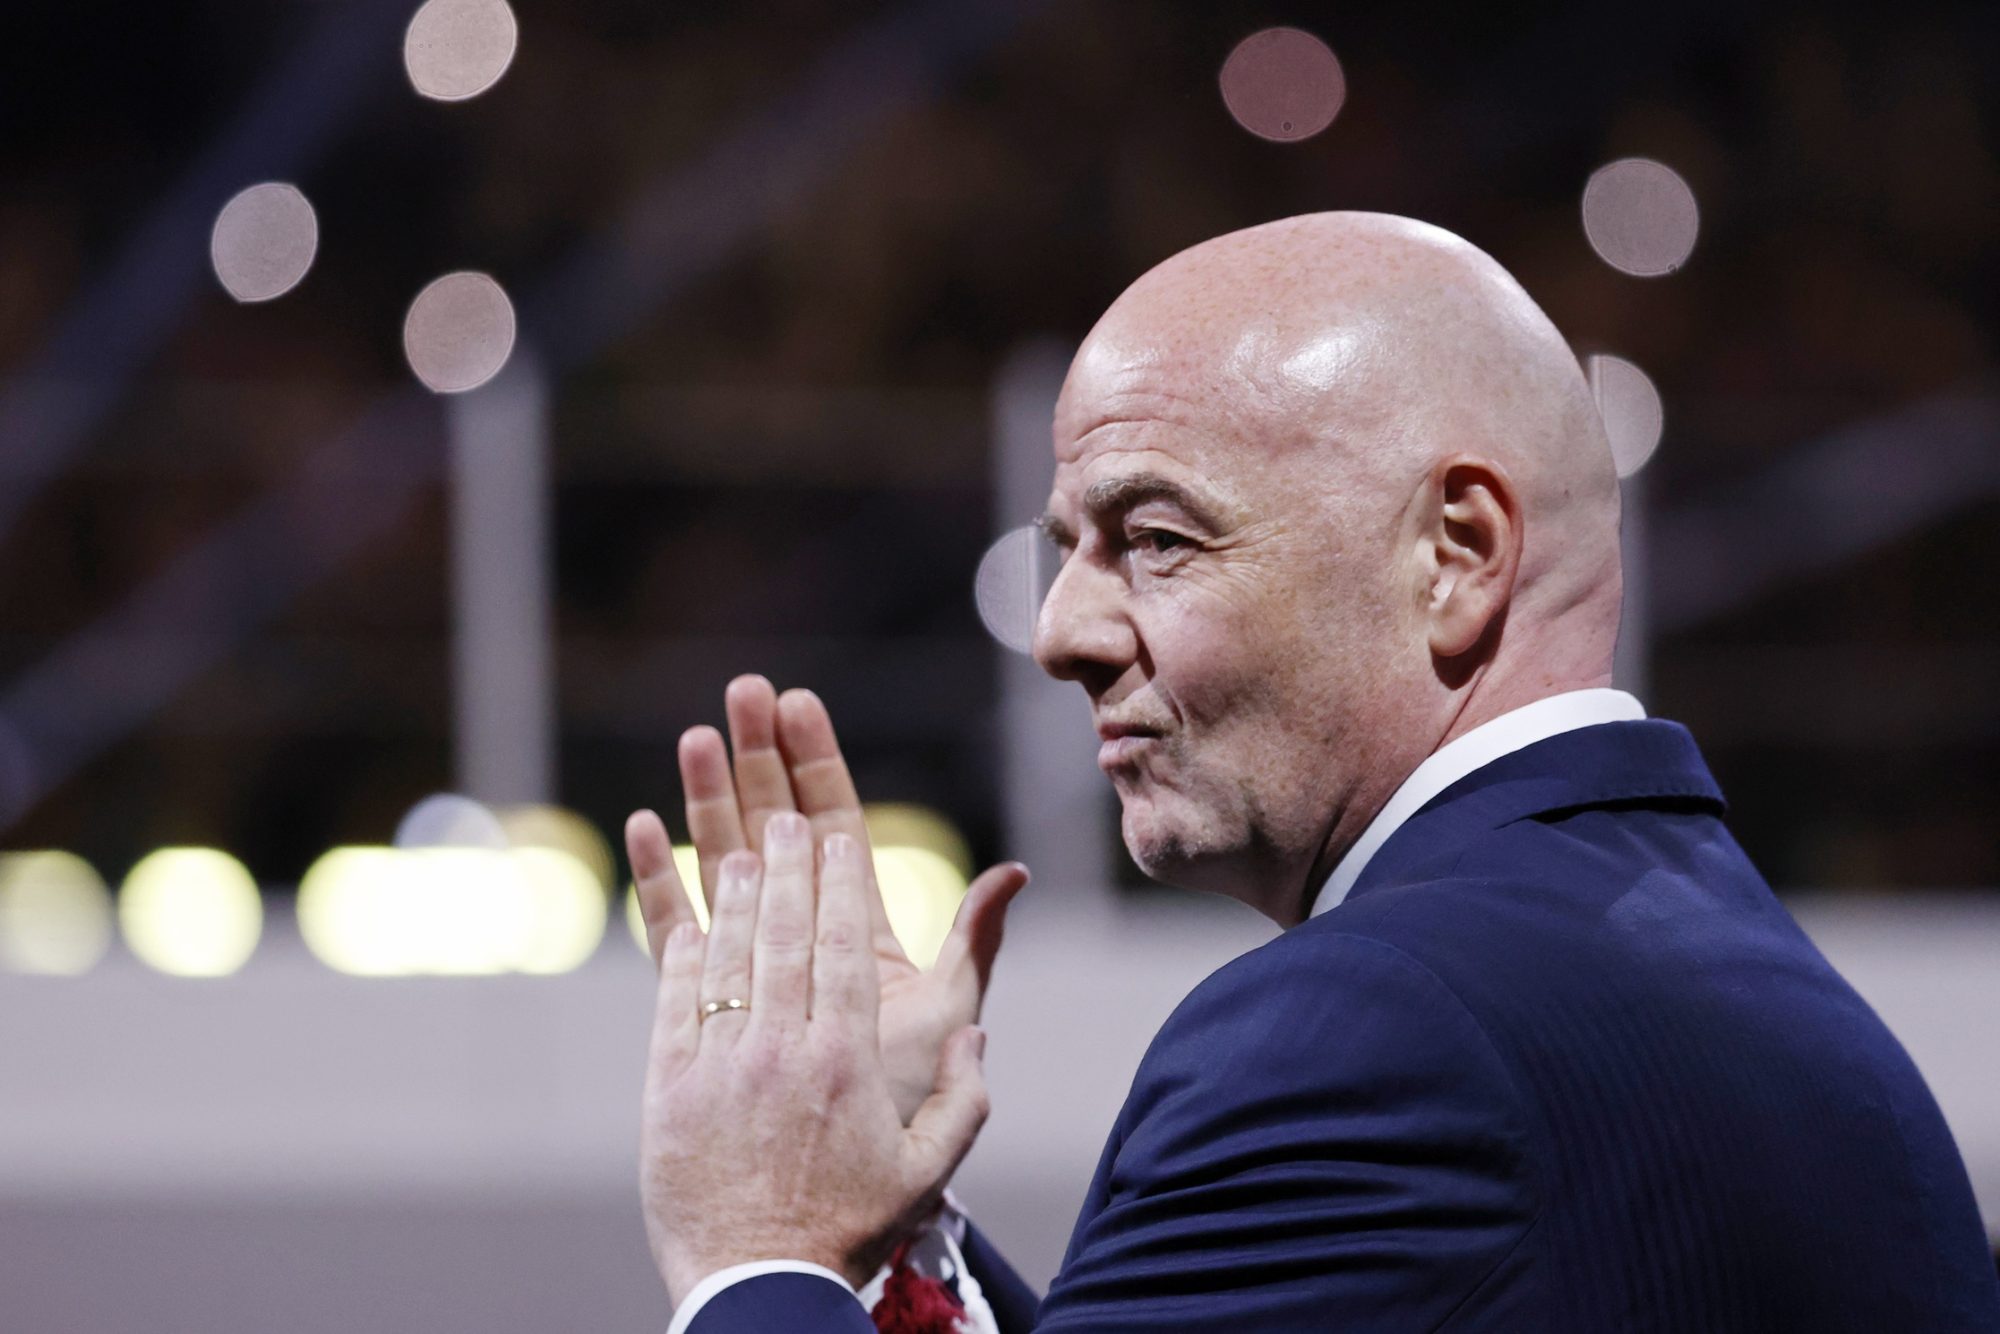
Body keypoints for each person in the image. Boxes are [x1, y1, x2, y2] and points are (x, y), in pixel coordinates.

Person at [624, 213, 2000, 1332]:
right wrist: (893, 1246)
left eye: (1155, 537)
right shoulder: (1730, 976)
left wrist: (763, 1248)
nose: (1060, 633)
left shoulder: (1377, 1032)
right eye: (1068, 551)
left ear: (1457, 553)